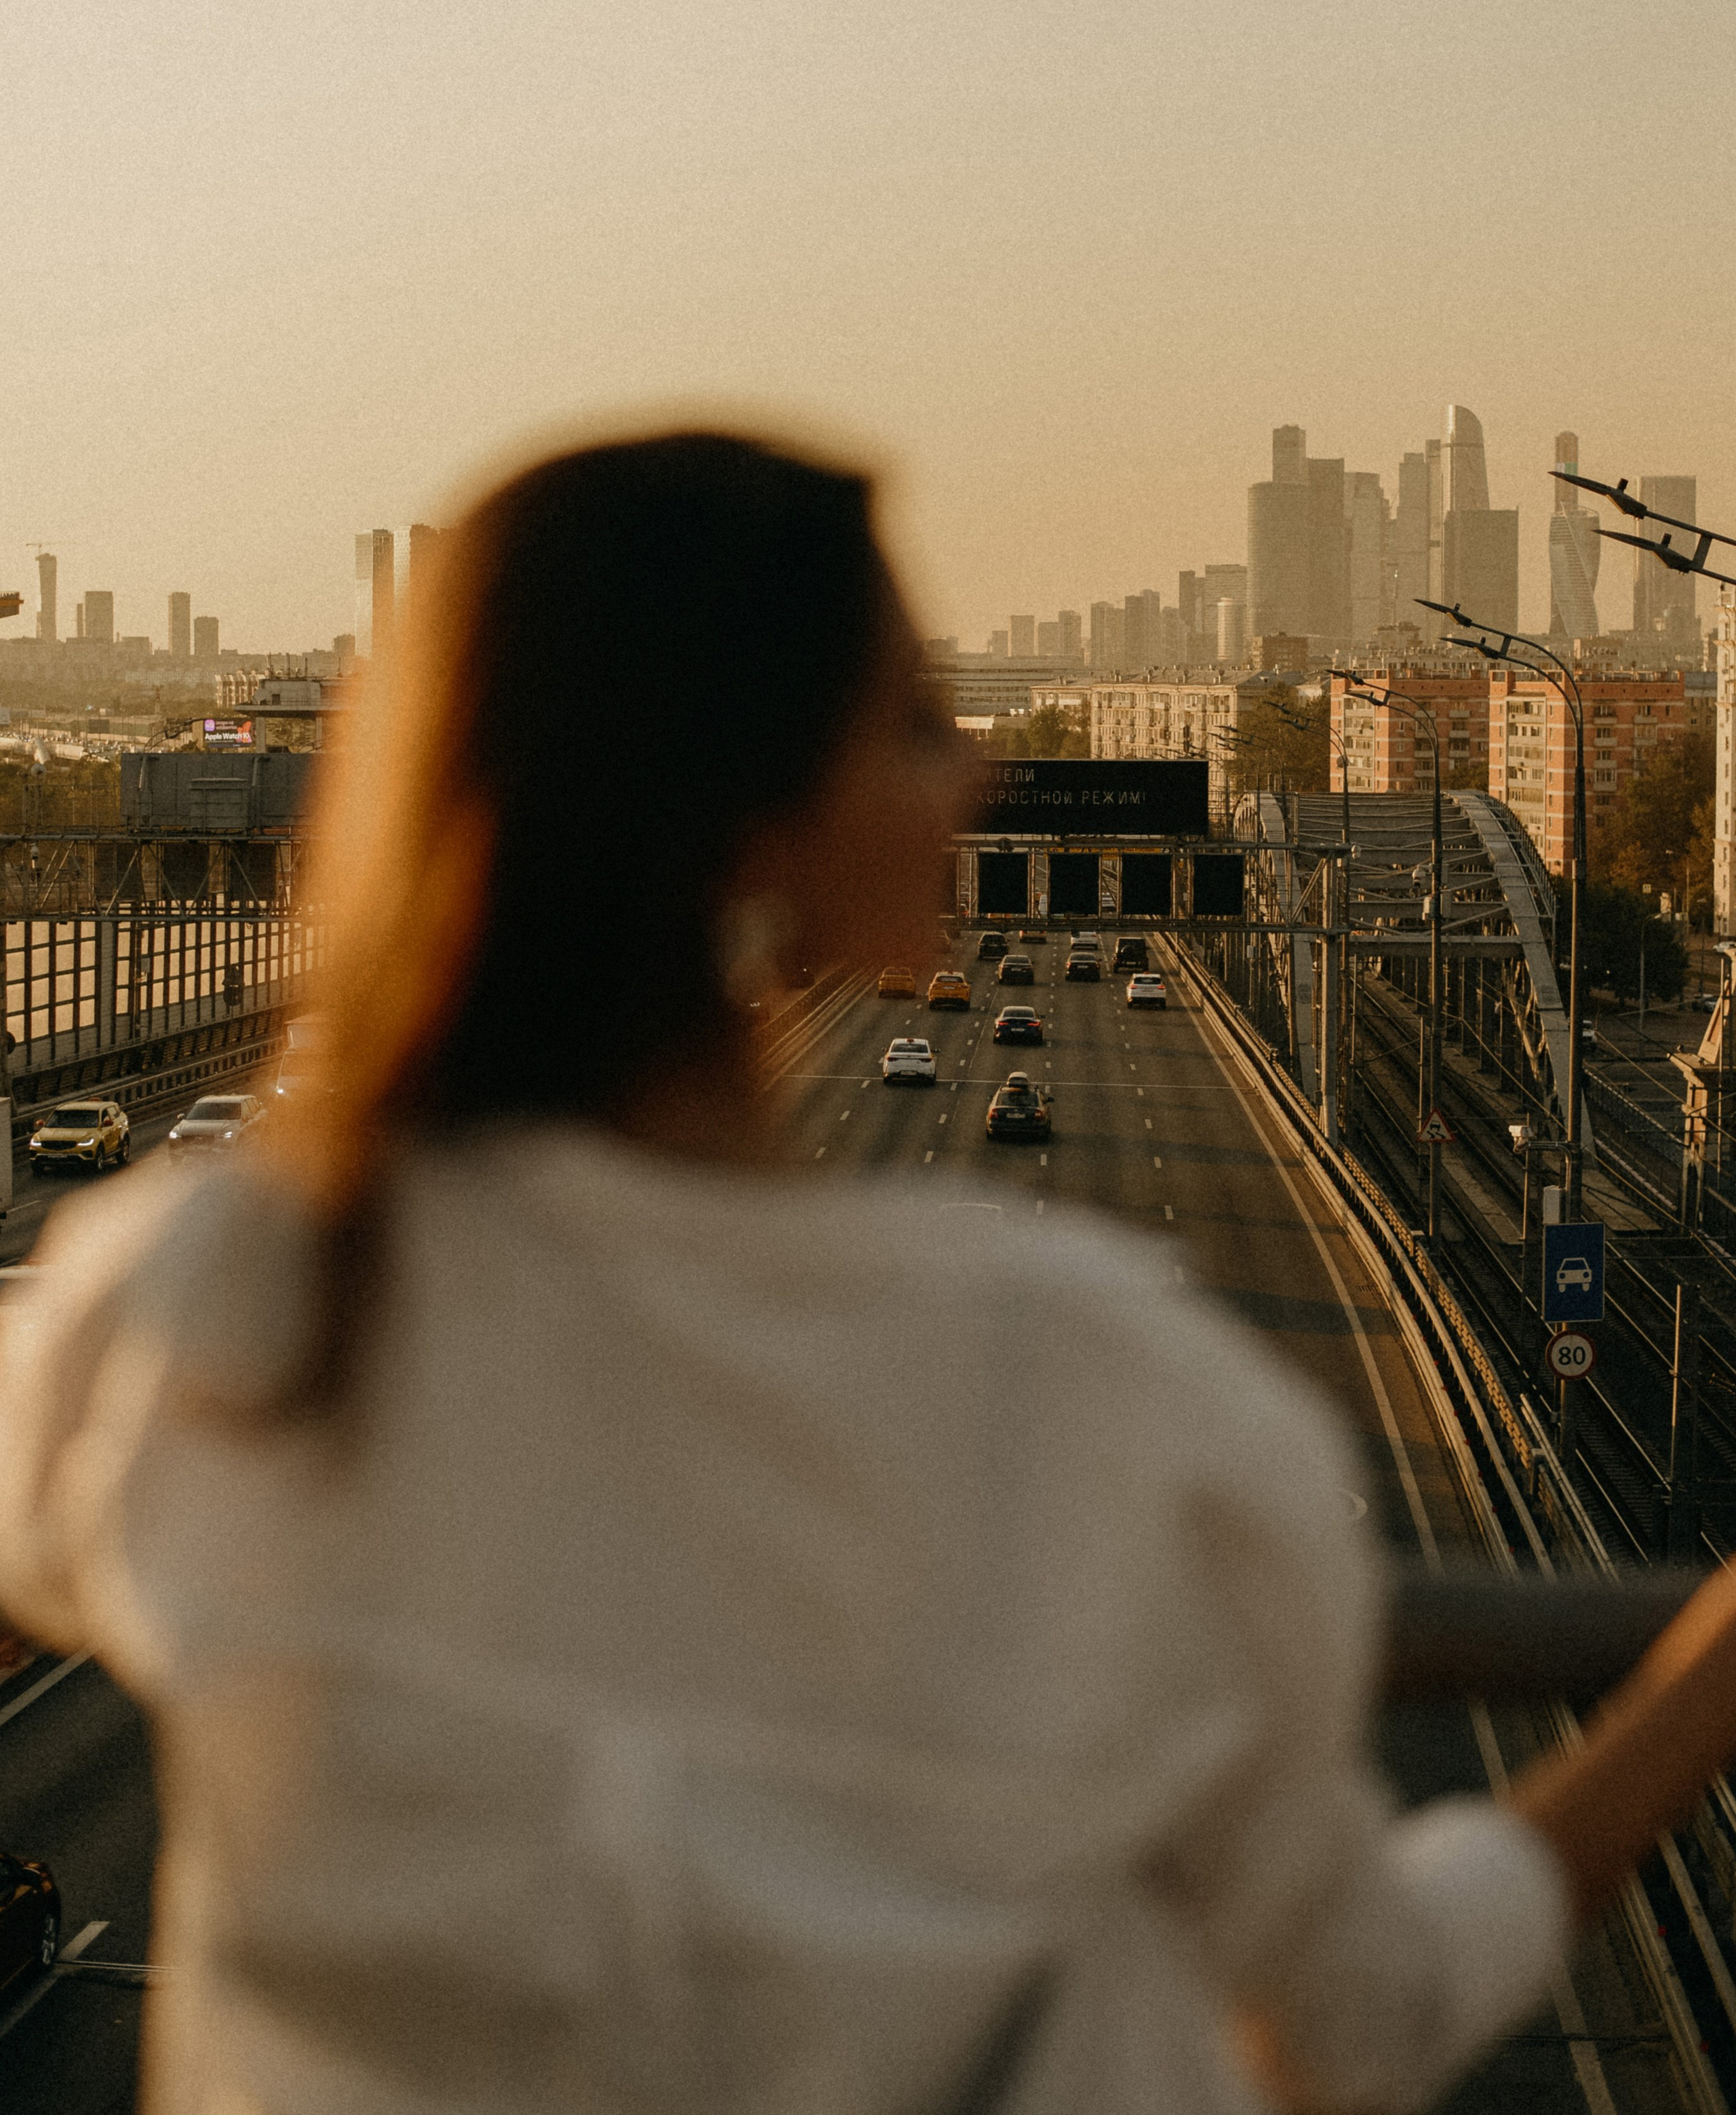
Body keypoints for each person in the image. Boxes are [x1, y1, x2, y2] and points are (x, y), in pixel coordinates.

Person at [3, 427, 1736, 2115]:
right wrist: (1697, 1688)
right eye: (913, 723)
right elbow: (1350, 2020)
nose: (975, 775)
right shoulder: (1100, 1393)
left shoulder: (206, 1305)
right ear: (753, 832)